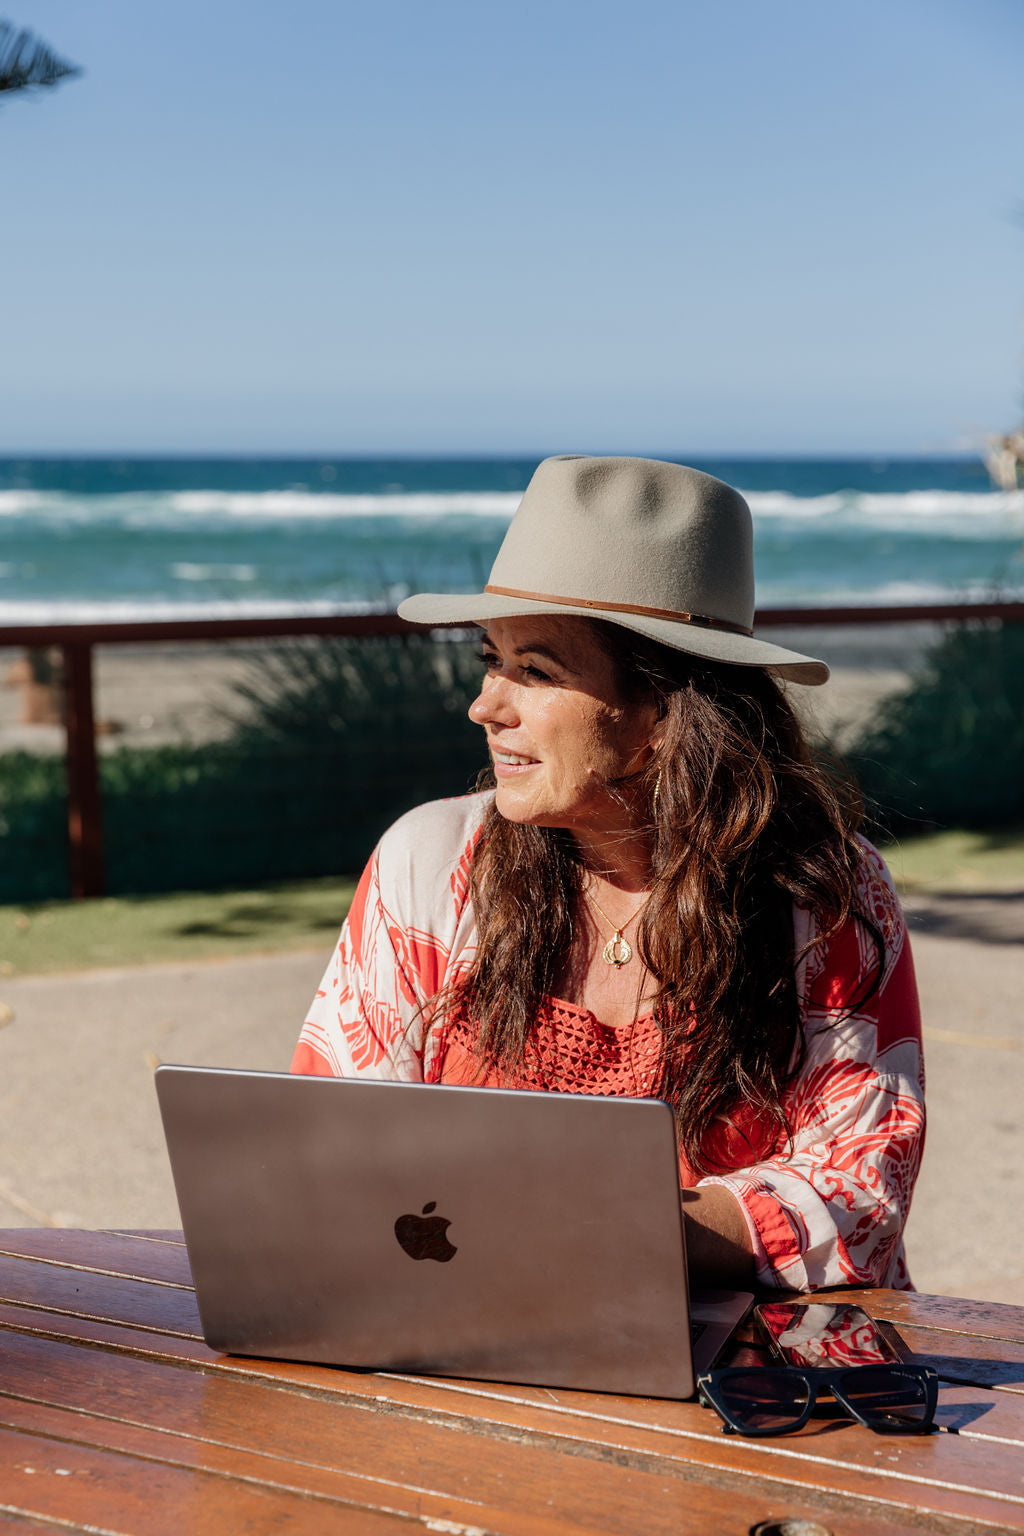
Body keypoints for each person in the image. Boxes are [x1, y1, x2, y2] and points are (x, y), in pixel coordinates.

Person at [292, 456, 925, 1293]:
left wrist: (608, 1232)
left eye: (537, 671)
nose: (487, 706)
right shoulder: (430, 862)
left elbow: (860, 1191)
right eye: (492, 659)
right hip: (462, 1335)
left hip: (753, 1373)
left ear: (663, 712)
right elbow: (332, 1136)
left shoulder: (822, 892)